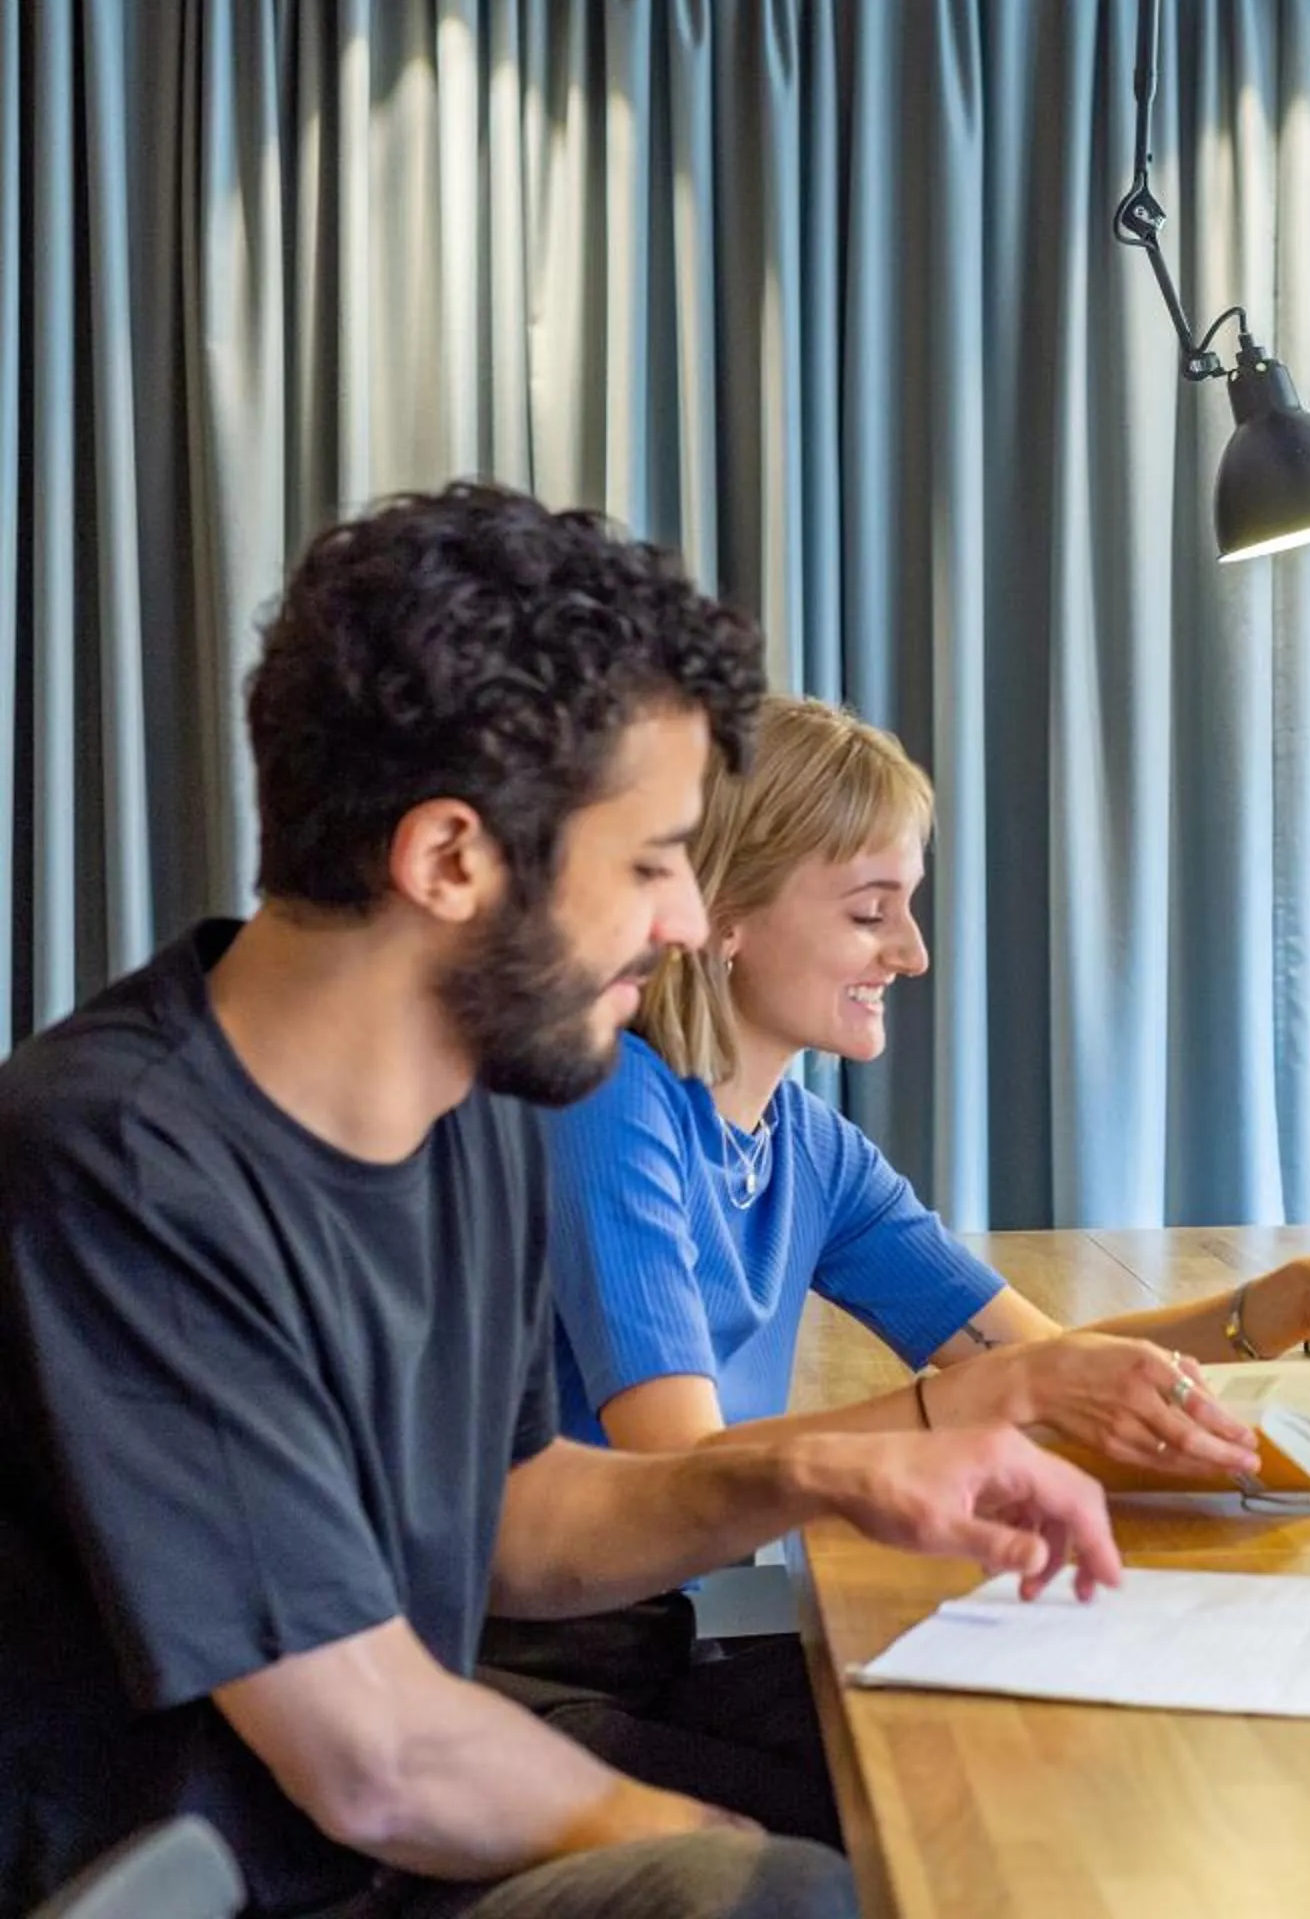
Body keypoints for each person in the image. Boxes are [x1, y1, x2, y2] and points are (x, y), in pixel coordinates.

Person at [0, 485, 1121, 1919]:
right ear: (449, 859)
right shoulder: (125, 1164)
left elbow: (522, 1519)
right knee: (800, 1891)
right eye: (650, 864)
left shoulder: (468, 1107)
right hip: (251, 1886)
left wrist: (826, 1471)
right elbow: (375, 1758)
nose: (685, 920)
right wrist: (714, 1836)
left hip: (379, 1845)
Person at [487, 696, 1310, 1823]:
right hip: (533, 1684)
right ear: (725, 914)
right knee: (955, 1813)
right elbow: (681, 1468)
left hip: (672, 1643)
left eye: (909, 907)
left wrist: (1265, 1309)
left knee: (1046, 1764)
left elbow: (1044, 1362)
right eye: (870, 911)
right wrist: (967, 1405)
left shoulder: (806, 1144)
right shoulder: (610, 1106)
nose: (912, 953)